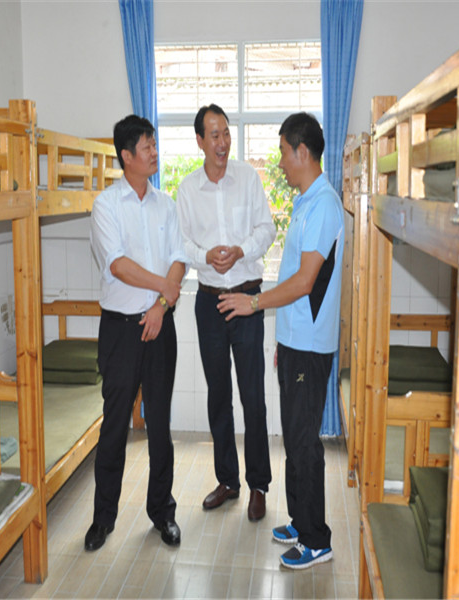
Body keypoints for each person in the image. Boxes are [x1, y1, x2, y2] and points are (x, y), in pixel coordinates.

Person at [217, 112, 344, 569]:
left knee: (305, 442)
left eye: (284, 153)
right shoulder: (307, 201)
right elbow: (295, 275)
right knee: (293, 436)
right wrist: (282, 342)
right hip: (295, 342)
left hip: (310, 346)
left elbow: (305, 282)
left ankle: (316, 539)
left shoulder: (324, 205)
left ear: (302, 152)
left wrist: (254, 303)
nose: (281, 162)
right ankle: (299, 519)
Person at [86, 114, 188, 551]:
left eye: (154, 145)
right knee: (114, 427)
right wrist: (164, 288)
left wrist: (162, 305)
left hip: (160, 326)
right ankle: (103, 519)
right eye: (146, 147)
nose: (154, 153)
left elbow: (179, 258)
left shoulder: (167, 204)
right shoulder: (106, 205)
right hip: (121, 331)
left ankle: (163, 513)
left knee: (160, 426)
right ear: (126, 156)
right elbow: (118, 265)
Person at [177, 104, 276, 522]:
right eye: (214, 135)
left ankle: (258, 485)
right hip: (209, 302)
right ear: (200, 141)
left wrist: (241, 251)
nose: (222, 143)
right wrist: (205, 256)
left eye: (226, 133)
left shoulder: (248, 178)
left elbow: (267, 229)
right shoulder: (187, 189)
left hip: (247, 299)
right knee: (218, 396)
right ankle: (228, 481)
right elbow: (181, 243)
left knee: (253, 396)